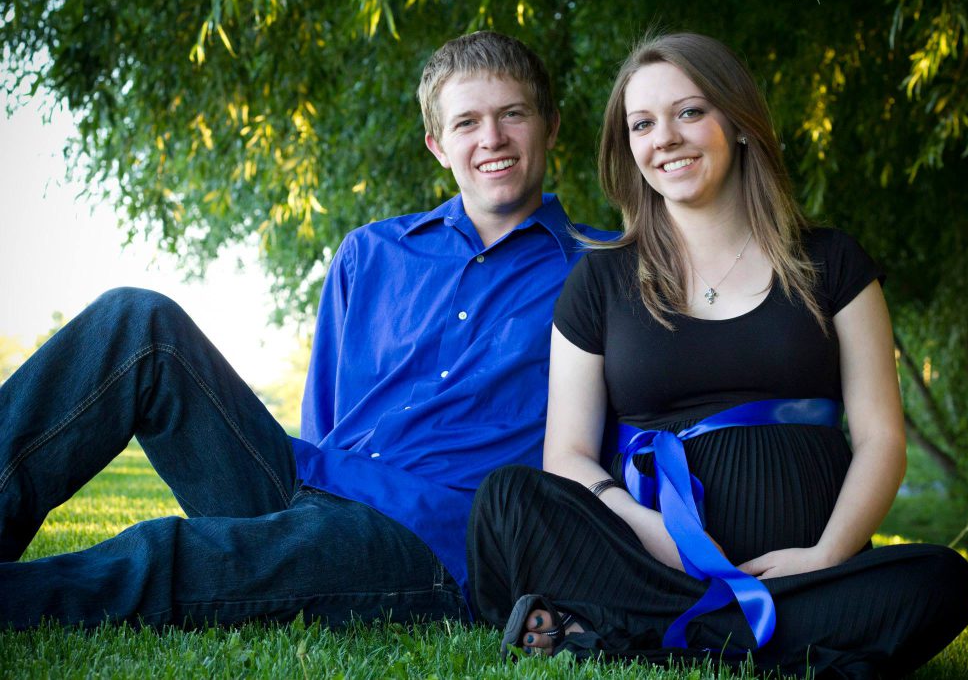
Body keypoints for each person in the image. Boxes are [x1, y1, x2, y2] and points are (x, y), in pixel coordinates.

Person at [0, 31, 611, 630]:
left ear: (551, 126)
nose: (492, 138)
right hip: (309, 481)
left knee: (174, 557)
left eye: (513, 114)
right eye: (467, 123)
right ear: (438, 146)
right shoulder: (370, 253)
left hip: (429, 539)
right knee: (136, 322)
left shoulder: (606, 270)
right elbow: (326, 418)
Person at [467, 32, 968, 678]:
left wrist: (826, 554)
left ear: (737, 121)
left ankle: (636, 636)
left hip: (800, 573)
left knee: (939, 578)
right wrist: (645, 524)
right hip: (650, 563)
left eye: (689, 111)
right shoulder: (599, 279)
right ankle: (754, 640)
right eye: (642, 124)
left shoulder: (831, 261)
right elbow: (566, 454)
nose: (665, 138)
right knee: (507, 498)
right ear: (629, 146)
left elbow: (881, 438)